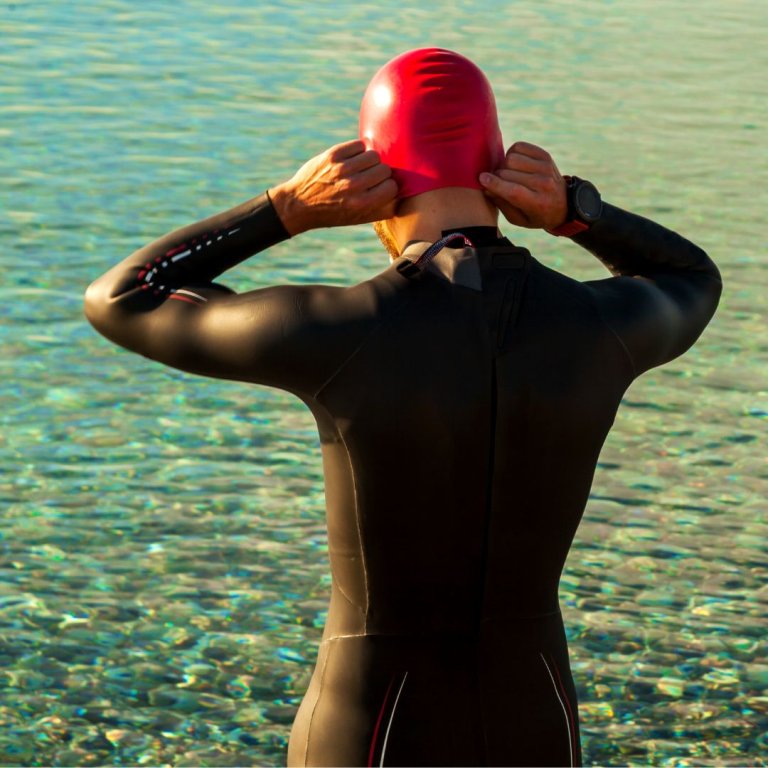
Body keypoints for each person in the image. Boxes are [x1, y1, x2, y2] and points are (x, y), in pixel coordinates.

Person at [84, 48, 721, 767]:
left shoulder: (340, 334)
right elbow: (691, 275)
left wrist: (283, 211)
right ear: (498, 166)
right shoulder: (600, 327)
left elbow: (123, 298)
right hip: (537, 715)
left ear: (372, 183)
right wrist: (578, 212)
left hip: (373, 727)